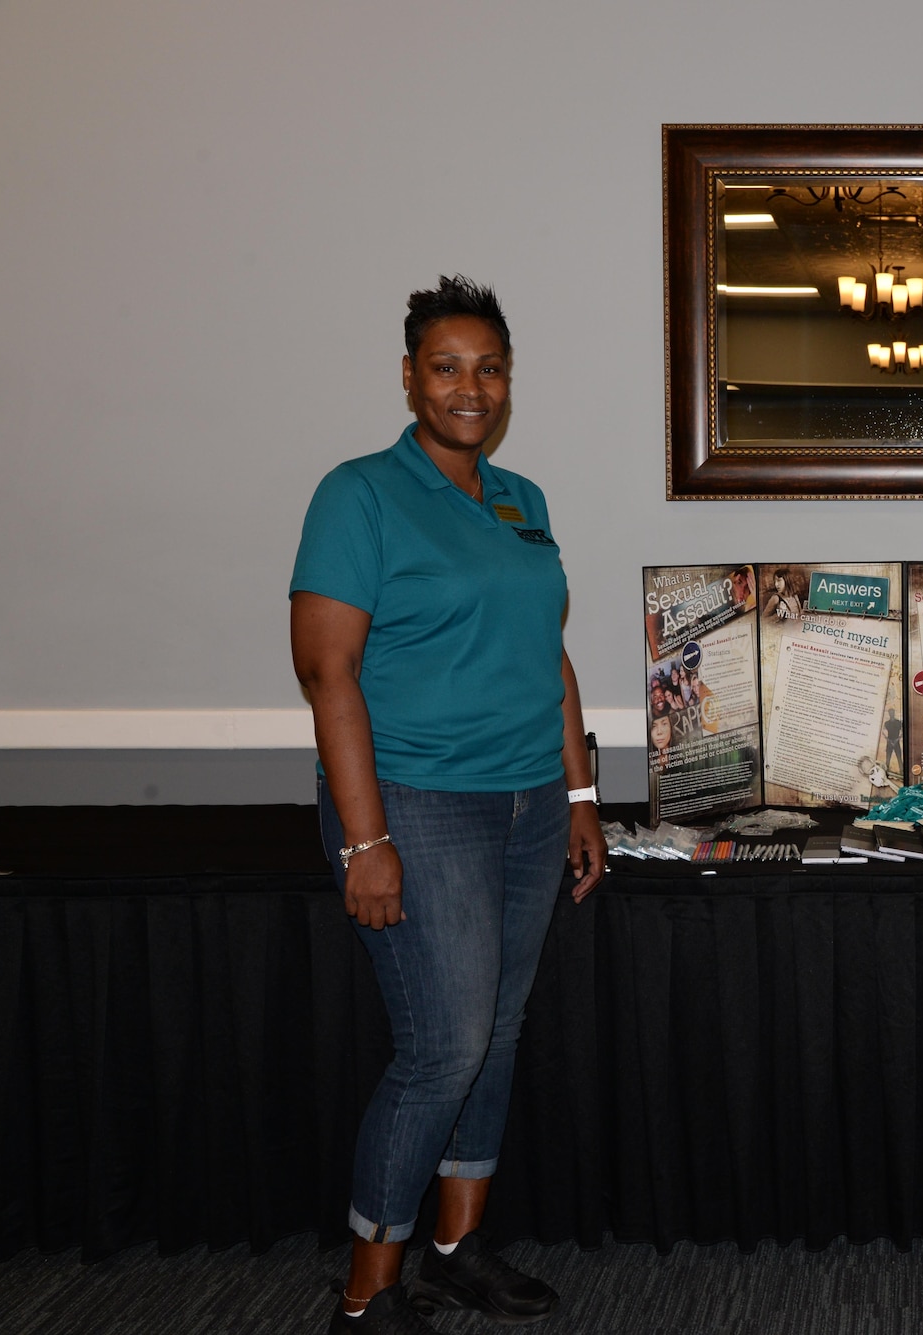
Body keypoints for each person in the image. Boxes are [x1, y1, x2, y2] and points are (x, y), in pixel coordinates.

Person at [290, 276, 607, 1334]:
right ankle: (368, 1292)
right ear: (410, 378)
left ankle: (458, 1247)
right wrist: (366, 841)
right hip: (418, 806)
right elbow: (328, 674)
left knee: (496, 1035)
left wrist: (577, 791)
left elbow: (546, 656)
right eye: (447, 367)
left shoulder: (522, 500)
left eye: (489, 368)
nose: (470, 388)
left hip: (525, 804)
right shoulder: (360, 494)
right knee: (443, 1048)